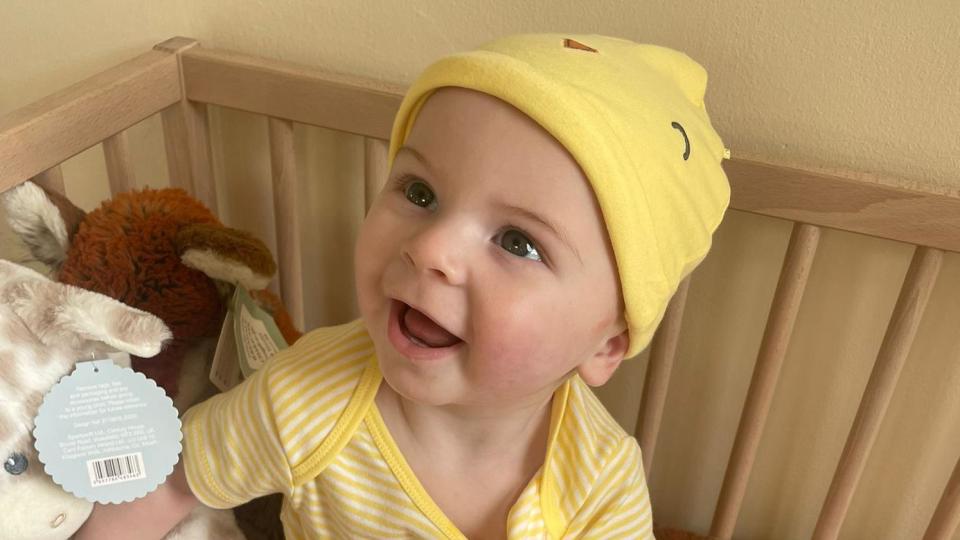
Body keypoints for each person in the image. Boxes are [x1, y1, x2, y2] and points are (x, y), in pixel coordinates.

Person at [73, 33, 729, 539]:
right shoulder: (307, 400)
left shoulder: (600, 479)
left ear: (606, 346)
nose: (432, 248)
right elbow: (173, 482)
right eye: (420, 192)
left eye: (519, 242)